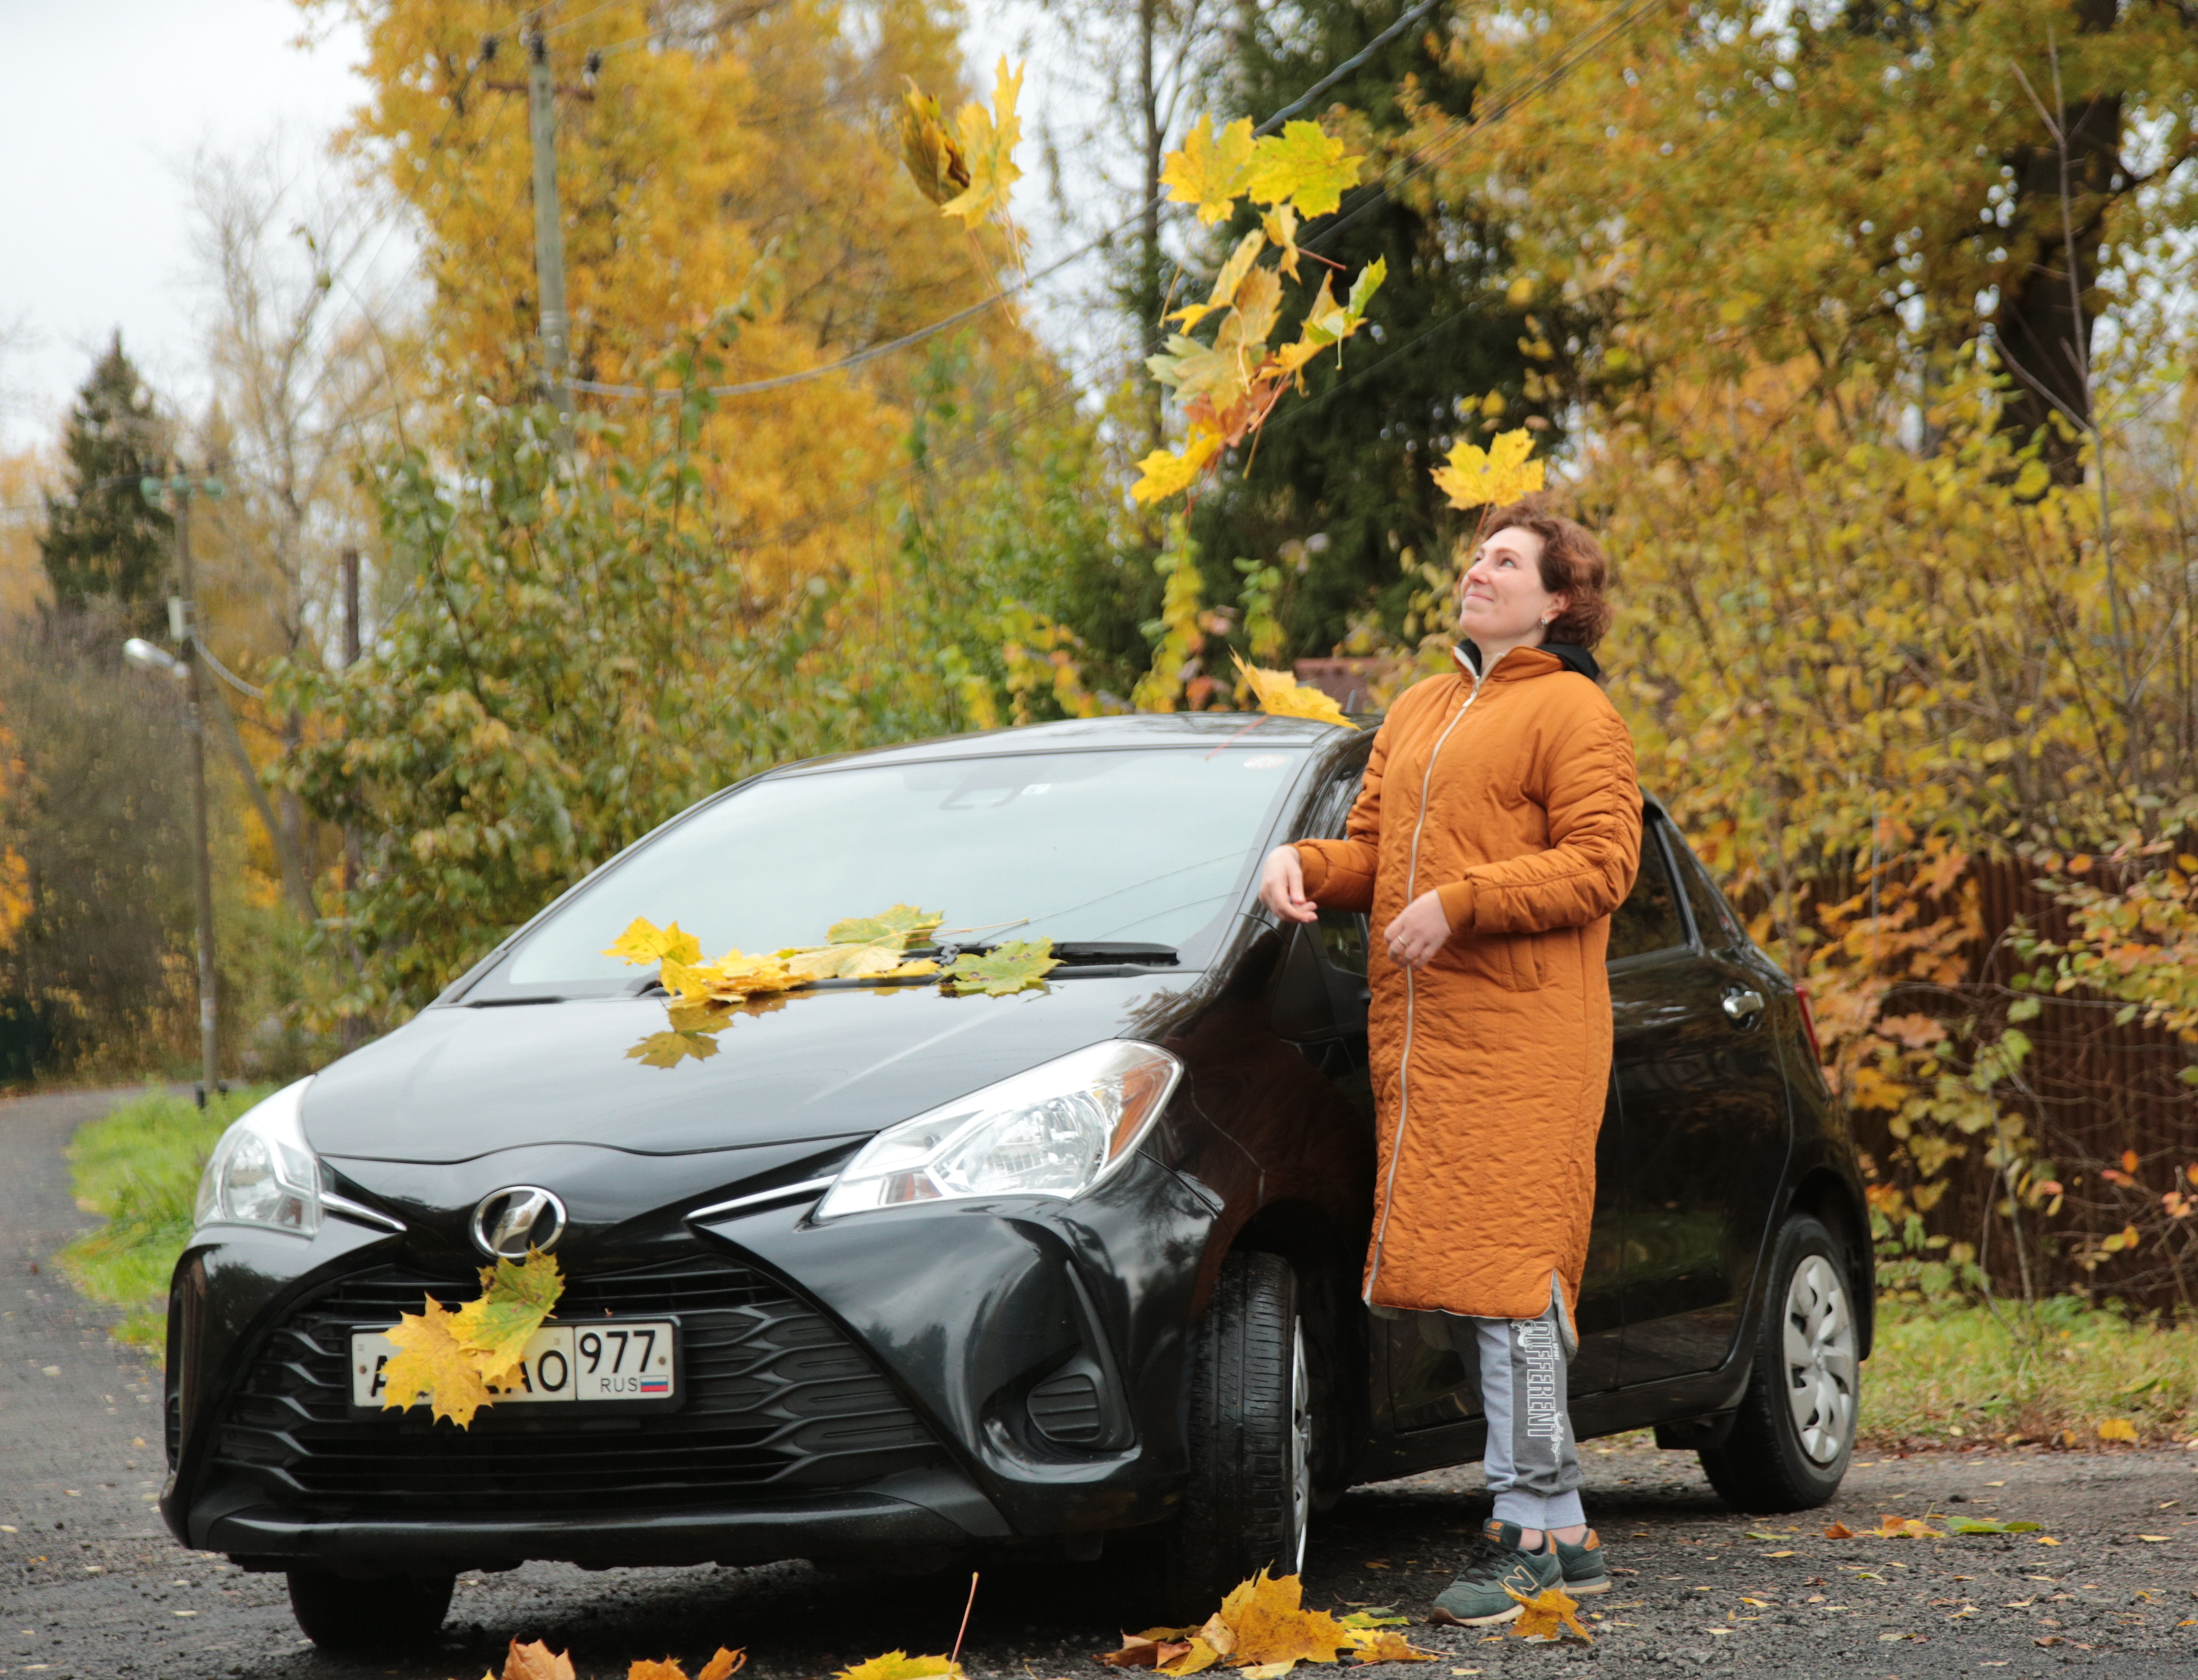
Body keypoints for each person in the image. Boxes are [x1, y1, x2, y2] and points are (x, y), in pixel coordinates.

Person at [1257, 501, 1641, 1625]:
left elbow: (1601, 865)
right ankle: (1564, 1531)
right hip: (1427, 1041)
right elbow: (1374, 848)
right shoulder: (1422, 707)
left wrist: (1461, 904)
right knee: (1481, 1291)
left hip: (1529, 1041)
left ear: (1558, 599)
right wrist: (1306, 863)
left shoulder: (1575, 713)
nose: (1478, 570)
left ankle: (1518, 1531)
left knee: (1514, 1287)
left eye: (1507, 561)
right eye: (1476, 554)